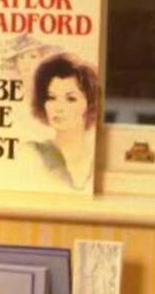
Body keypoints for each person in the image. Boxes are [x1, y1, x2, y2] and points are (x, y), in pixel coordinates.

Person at [27, 53, 100, 191]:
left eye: (71, 99)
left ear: (89, 103)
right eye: (51, 97)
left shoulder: (96, 158)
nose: (58, 107)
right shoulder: (32, 154)